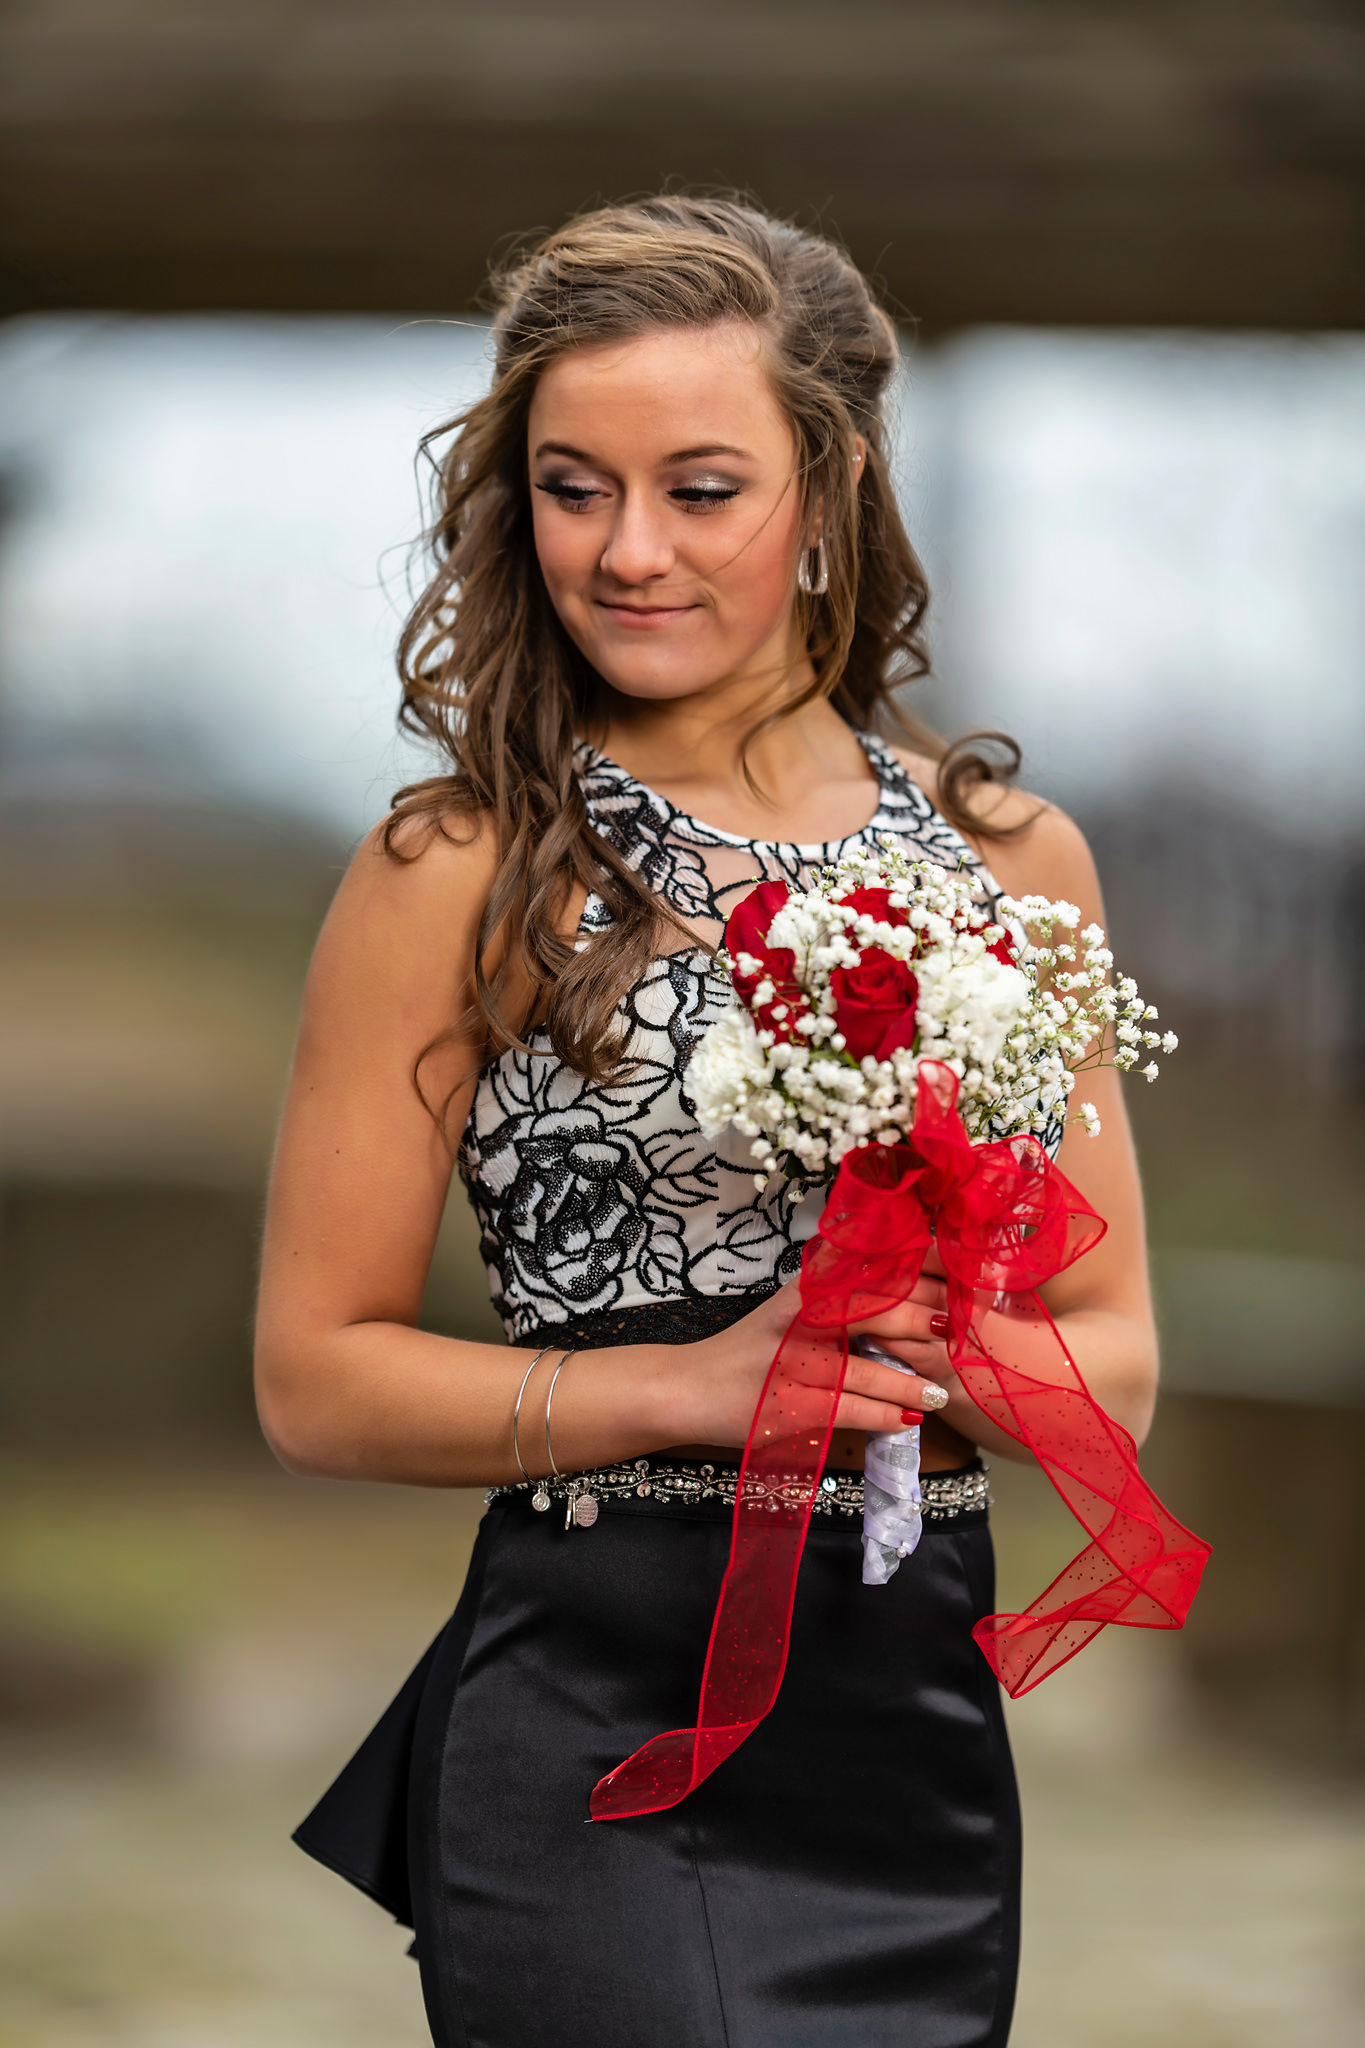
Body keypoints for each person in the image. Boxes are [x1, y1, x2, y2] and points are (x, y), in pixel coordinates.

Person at [254, 195, 1159, 2048]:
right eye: (574, 487)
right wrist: (688, 1385)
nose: (627, 550)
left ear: (826, 492)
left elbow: (1115, 1365)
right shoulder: (458, 866)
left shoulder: (1011, 864)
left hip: (903, 1730)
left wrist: (915, 1327)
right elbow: (313, 1378)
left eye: (700, 488)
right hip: (596, 1707)